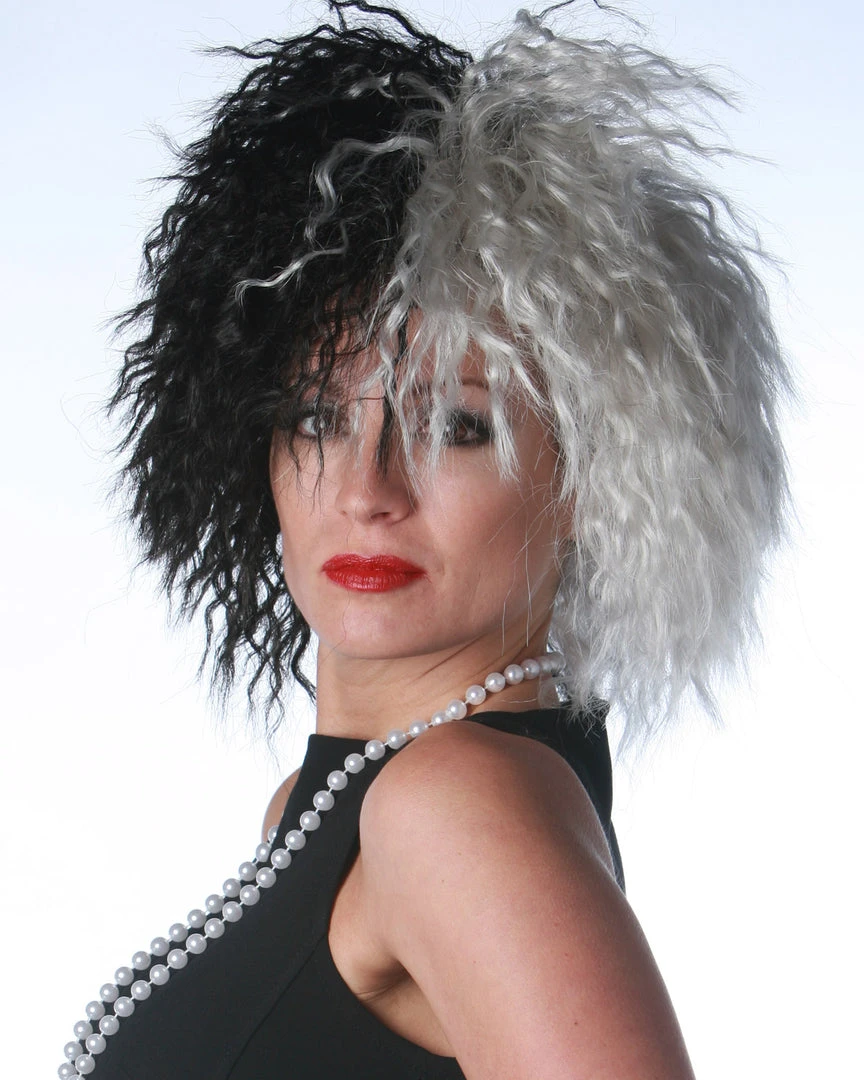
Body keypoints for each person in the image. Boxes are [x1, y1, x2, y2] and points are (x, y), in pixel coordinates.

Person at [57, 2, 790, 1077]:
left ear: (591, 473)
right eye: (318, 417)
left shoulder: (452, 806)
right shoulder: (338, 808)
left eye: (458, 426)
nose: (368, 489)